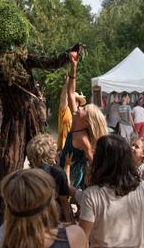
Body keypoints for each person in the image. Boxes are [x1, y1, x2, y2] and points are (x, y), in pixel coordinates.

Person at [59, 53, 107, 188]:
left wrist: (98, 181)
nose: (80, 108)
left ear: (87, 121)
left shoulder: (83, 138)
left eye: (84, 109)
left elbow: (92, 160)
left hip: (73, 174)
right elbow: (70, 93)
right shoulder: (76, 119)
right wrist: (74, 67)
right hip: (65, 166)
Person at [26, 133, 73, 223]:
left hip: (35, 219)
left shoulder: (28, 175)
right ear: (51, 154)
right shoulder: (58, 173)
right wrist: (70, 223)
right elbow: (64, 201)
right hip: (55, 217)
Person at [57, 74, 86, 151]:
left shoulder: (81, 114)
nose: (73, 102)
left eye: (76, 100)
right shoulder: (65, 110)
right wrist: (66, 84)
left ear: (79, 103)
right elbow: (63, 98)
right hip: (64, 148)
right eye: (72, 99)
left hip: (78, 148)